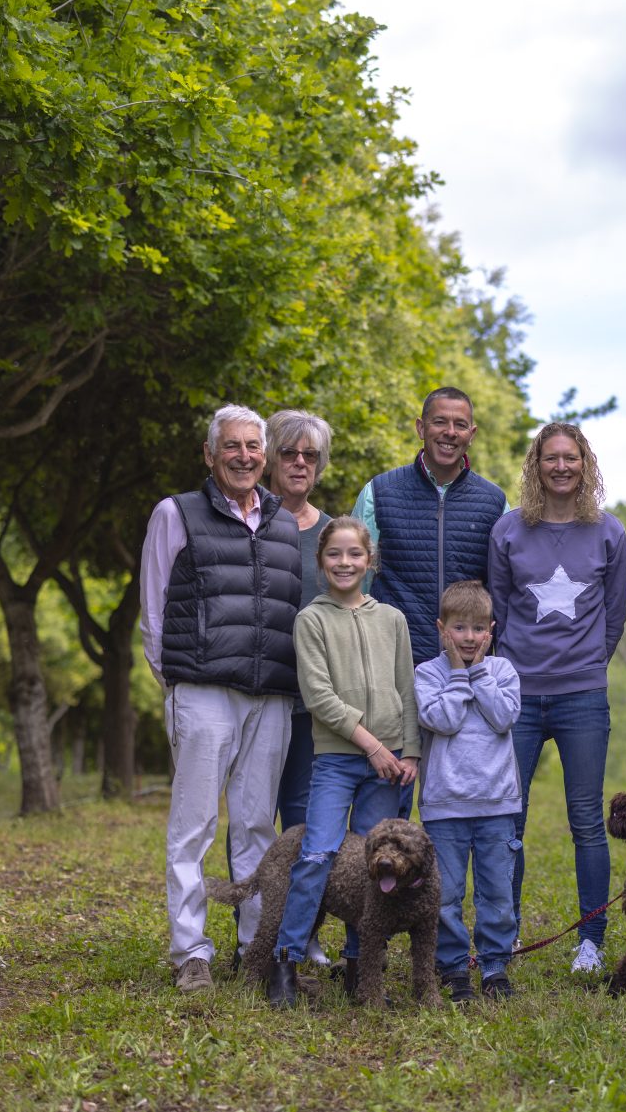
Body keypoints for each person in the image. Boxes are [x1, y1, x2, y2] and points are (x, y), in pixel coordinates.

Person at [140, 404, 303, 993]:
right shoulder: (175, 513)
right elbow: (153, 611)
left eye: (253, 447)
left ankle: (254, 950)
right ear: (210, 454)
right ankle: (191, 954)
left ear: (265, 454)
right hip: (204, 692)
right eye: (230, 446)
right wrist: (179, 684)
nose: (243, 456)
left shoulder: (285, 522)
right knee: (194, 827)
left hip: (272, 697)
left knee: (257, 826)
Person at [488, 422, 626, 975]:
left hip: (581, 697)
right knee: (508, 820)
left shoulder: (607, 532)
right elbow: (497, 610)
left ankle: (590, 940)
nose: (562, 467)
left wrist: (589, 662)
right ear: (537, 464)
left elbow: (615, 615)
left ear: (584, 463)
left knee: (587, 821)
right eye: (552, 458)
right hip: (518, 697)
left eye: (571, 458)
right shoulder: (508, 531)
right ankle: (506, 930)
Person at [264, 517, 419, 1006]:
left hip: (390, 763)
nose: (345, 563)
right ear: (321, 561)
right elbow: (319, 696)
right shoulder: (311, 620)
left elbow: (407, 690)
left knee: (377, 867)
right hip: (338, 758)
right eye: (335, 554)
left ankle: (359, 968)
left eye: (355, 554)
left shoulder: (391, 619)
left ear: (369, 561)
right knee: (317, 855)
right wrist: (371, 745)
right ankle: (285, 962)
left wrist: (408, 749)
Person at [416, 580, 523, 1002]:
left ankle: (495, 966)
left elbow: (502, 718)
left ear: (491, 631)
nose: (469, 637)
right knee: (446, 893)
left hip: (497, 803)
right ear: (442, 629)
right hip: (445, 806)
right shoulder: (427, 673)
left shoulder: (503, 671)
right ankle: (453, 967)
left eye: (479, 629)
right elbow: (442, 721)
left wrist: (477, 673)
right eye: (459, 628)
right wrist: (459, 677)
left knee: (497, 890)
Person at [352, 387, 507, 667]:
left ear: (471, 435)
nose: (450, 432)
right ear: (421, 428)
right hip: (393, 666)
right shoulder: (379, 493)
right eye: (439, 422)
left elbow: (504, 592)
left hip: (469, 669)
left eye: (460, 425)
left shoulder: (495, 503)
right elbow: (355, 584)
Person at [265, 409, 333, 834]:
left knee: (303, 816)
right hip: (259, 696)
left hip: (313, 704)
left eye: (311, 454)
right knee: (254, 813)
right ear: (270, 457)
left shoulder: (334, 537)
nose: (300, 462)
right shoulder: (245, 523)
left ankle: (298, 903)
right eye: (289, 452)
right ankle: (250, 904)